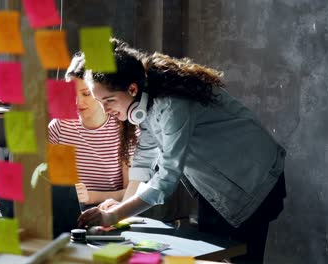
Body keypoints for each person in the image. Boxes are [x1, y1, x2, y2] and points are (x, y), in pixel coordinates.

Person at [77, 39, 287, 263]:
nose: (106, 110)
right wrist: (121, 209)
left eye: (108, 100)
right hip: (217, 186)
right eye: (100, 102)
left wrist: (114, 215)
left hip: (255, 179)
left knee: (238, 258)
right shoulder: (146, 99)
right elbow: (145, 158)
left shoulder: (171, 104)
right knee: (213, 257)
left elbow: (166, 179)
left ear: (132, 88)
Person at [48, 52, 138, 205]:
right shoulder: (59, 127)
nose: (78, 102)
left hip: (109, 213)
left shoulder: (126, 128)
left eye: (86, 94)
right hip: (67, 214)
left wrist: (91, 197)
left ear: (98, 92)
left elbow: (131, 193)